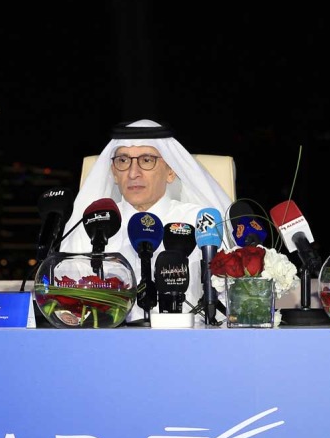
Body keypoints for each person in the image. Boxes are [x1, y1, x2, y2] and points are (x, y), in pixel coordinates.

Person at [63, 119, 232, 318]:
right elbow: (72, 301)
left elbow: (226, 297)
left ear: (170, 171)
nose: (133, 173)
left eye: (147, 160)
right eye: (123, 161)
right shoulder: (93, 225)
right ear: (114, 174)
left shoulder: (201, 222)